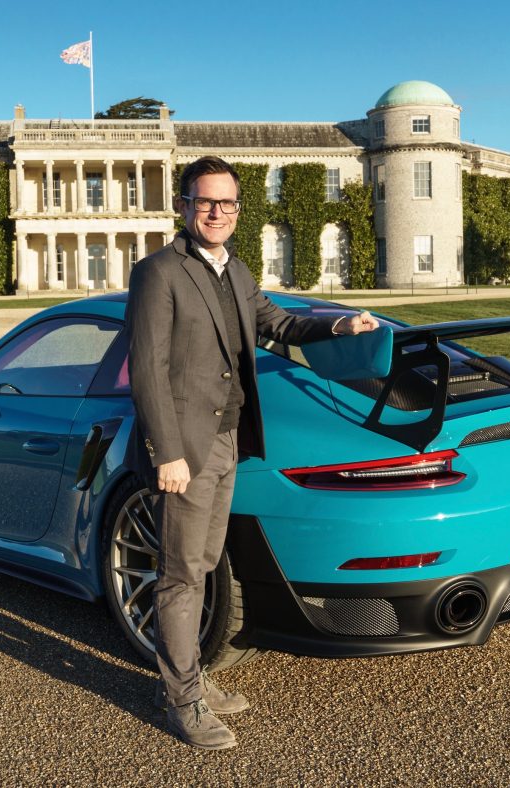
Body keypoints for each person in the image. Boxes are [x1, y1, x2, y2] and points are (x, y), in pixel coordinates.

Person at [124, 156, 377, 749]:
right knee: (181, 574)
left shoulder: (236, 269)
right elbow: (148, 371)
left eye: (227, 203)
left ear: (238, 210)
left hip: (228, 437)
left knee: (207, 562)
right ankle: (181, 698)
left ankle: (193, 675)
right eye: (205, 202)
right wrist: (166, 452)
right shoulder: (158, 271)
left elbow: (279, 325)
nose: (217, 212)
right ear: (183, 206)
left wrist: (340, 326)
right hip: (184, 448)